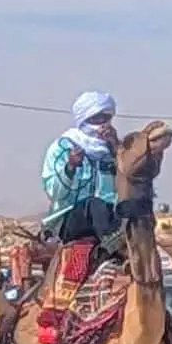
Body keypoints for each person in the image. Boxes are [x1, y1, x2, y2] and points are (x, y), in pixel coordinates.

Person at [40, 91, 121, 254]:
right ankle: (113, 246)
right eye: (96, 118)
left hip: (111, 216)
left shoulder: (116, 149)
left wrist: (117, 151)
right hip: (70, 218)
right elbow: (54, 193)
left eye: (106, 118)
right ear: (84, 119)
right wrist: (69, 167)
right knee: (93, 204)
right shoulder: (62, 147)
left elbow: (131, 181)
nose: (102, 124)